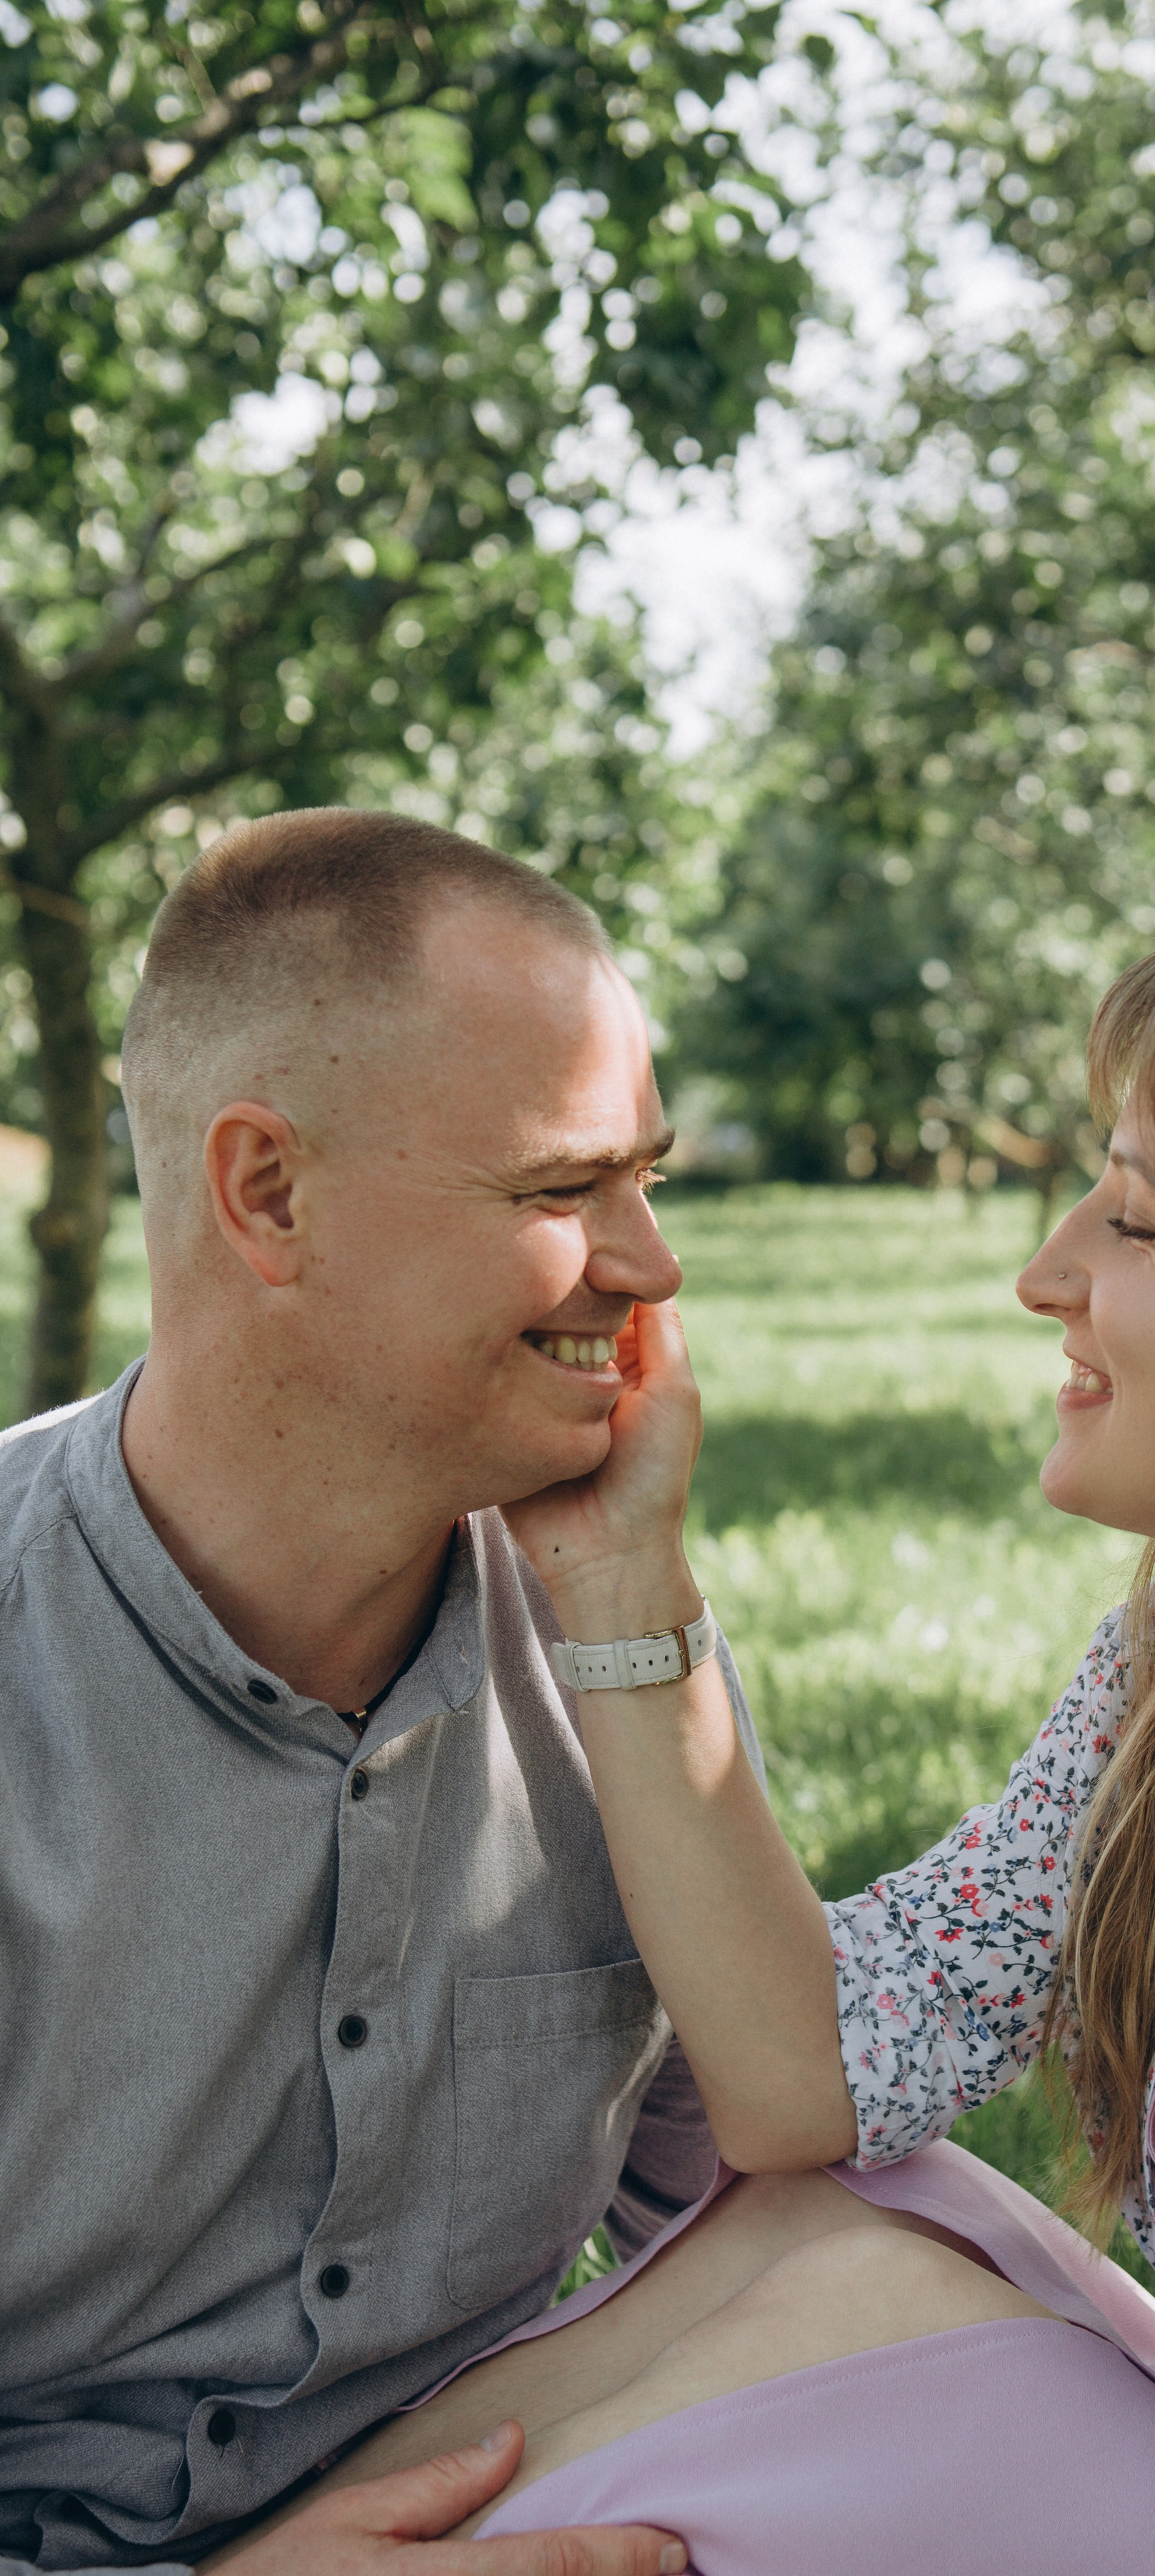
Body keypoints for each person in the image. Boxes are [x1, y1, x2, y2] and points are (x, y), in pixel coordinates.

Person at [266, 914, 1155, 2576]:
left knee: (869, 2301)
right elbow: (805, 2076)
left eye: (1135, 1218)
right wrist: (618, 1575)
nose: (1046, 1273)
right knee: (832, 2218)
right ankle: (279, 2557)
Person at [0, 809, 759, 2576]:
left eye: (648, 1180)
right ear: (269, 1193)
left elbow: (753, 2185)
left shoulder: (607, 1637)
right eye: (564, 1191)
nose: (649, 1266)